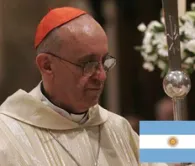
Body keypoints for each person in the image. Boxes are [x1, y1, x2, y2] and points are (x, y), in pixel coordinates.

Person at [0, 7, 168, 166]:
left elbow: (175, 151)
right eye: (88, 64)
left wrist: (186, 136)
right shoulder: (7, 136)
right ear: (47, 65)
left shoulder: (118, 127)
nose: (102, 76)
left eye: (104, 62)